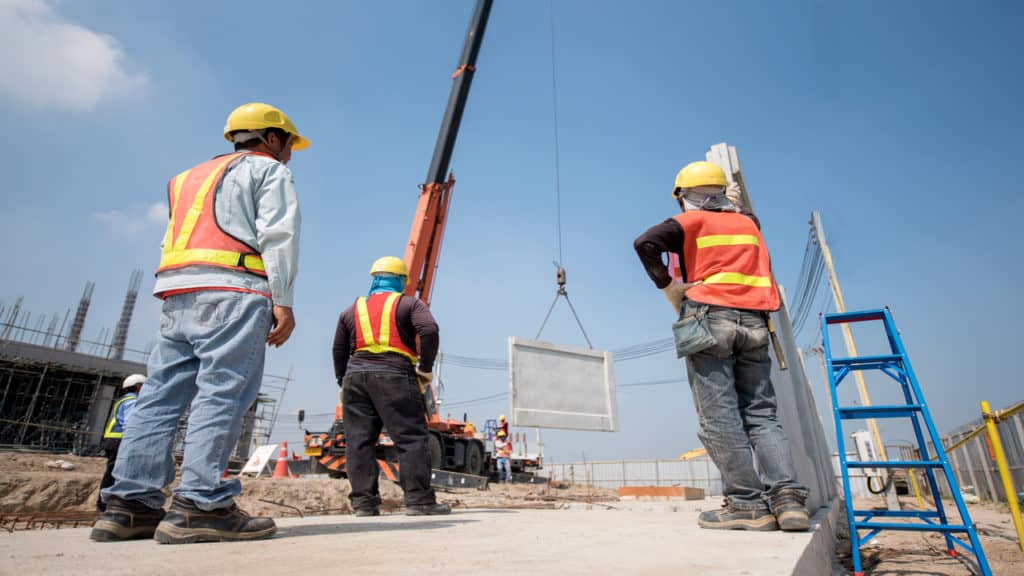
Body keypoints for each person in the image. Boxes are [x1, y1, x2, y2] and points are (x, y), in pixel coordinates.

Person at [91, 102, 306, 544]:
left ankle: (129, 505)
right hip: (236, 290)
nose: (289, 153)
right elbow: (278, 237)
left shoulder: (185, 178)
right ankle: (201, 504)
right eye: (288, 144)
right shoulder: (268, 171)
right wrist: (282, 300)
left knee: (159, 396)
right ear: (270, 137)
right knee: (222, 391)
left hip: (178, 293)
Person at [633, 160, 809, 532]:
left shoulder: (688, 222)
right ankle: (789, 499)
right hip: (756, 322)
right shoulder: (749, 224)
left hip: (709, 317)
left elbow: (645, 243)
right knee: (761, 414)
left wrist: (669, 286)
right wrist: (734, 204)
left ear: (683, 197)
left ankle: (747, 503)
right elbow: (741, 215)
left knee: (720, 417)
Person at [332, 256, 450, 517]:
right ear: (402, 281)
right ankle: (419, 501)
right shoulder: (409, 303)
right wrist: (425, 369)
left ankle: (364, 504)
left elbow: (339, 348)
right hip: (395, 375)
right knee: (410, 438)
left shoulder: (352, 309)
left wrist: (342, 380)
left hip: (355, 378)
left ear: (374, 279)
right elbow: (429, 330)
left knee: (359, 442)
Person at [95, 374, 145, 512]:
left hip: (113, 441)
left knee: (112, 473)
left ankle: (105, 503)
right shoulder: (132, 401)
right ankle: (107, 504)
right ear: (138, 387)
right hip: (121, 441)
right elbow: (130, 424)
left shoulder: (123, 400)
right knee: (117, 474)